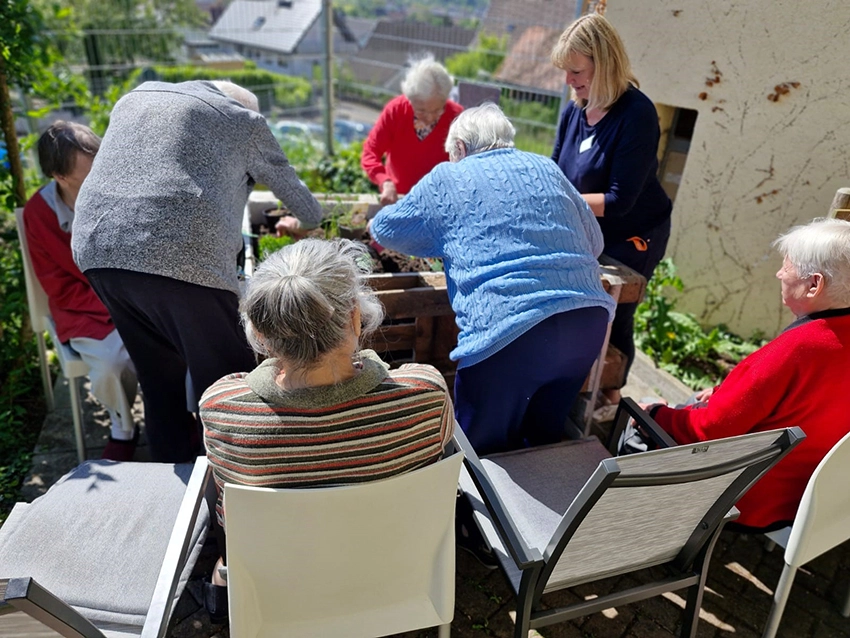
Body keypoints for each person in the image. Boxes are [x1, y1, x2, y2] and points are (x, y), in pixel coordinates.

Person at [199, 238, 455, 623]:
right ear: (355, 318)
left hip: (281, 589)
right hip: (392, 576)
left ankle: (225, 572)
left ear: (262, 332)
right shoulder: (425, 395)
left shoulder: (222, 408)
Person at [72, 80, 324, 463]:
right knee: (229, 383)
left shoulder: (138, 97)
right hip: (183, 253)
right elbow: (305, 206)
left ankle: (174, 490)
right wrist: (304, 222)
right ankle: (240, 483)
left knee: (158, 381)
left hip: (99, 248)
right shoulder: (242, 120)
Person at [370, 103, 616, 456]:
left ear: (459, 149)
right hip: (585, 324)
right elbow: (594, 242)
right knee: (543, 444)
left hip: (507, 335)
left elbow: (385, 229)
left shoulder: (447, 177)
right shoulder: (546, 167)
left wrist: (443, 236)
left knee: (479, 454)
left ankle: (475, 511)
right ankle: (545, 511)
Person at [642, 218, 850, 532]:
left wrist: (655, 414)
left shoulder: (796, 349)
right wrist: (727, 393)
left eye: (788, 266)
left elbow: (708, 432)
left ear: (813, 285)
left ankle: (641, 533)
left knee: (637, 425)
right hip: (816, 498)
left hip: (752, 497)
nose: (780, 273)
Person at [550, 13, 673, 406]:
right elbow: (555, 172)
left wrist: (560, 201)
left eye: (576, 70)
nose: (569, 80)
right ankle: (576, 384)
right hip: (589, 226)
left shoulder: (636, 113)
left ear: (604, 63)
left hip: (633, 232)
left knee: (615, 314)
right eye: (566, 71)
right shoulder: (575, 109)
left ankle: (610, 396)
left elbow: (621, 199)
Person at [23, 121, 139, 461]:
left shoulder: (118, 192)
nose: (103, 174)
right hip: (84, 309)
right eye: (90, 170)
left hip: (134, 297)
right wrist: (117, 306)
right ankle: (123, 425)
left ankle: (177, 416)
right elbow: (56, 284)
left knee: (175, 343)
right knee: (110, 363)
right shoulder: (39, 214)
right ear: (60, 177)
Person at [361, 54, 463, 205]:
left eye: (437, 110)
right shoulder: (396, 111)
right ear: (410, 99)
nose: (429, 117)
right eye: (421, 110)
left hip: (439, 202)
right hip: (399, 199)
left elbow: (469, 164)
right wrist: (385, 181)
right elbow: (370, 153)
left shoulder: (457, 117)